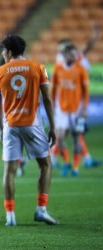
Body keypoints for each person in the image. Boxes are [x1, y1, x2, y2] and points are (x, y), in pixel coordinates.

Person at [0, 35, 58, 226]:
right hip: (32, 124)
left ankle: (10, 216)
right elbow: (46, 98)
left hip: (10, 125)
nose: (3, 55)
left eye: (4, 52)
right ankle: (41, 209)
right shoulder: (37, 67)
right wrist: (52, 126)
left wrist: (0, 128)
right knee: (45, 164)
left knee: (9, 170)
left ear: (10, 52)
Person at [51, 23, 101, 169]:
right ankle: (78, 160)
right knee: (67, 134)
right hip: (66, 103)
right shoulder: (62, 62)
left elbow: (85, 50)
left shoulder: (74, 59)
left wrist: (95, 36)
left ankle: (74, 161)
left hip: (77, 102)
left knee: (73, 134)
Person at [52, 44, 89, 176]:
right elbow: (53, 88)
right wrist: (51, 104)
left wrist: (84, 108)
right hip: (61, 110)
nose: (72, 56)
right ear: (65, 55)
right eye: (70, 54)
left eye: (74, 54)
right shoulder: (57, 69)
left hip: (77, 110)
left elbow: (86, 91)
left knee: (76, 138)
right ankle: (67, 162)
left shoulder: (81, 69)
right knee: (60, 138)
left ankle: (75, 167)